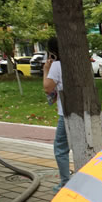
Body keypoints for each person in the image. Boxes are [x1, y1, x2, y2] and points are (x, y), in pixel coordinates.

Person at [43, 37, 70, 192]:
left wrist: (46, 70)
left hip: (65, 113)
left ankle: (65, 182)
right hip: (83, 110)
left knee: (60, 148)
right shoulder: (75, 62)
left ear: (52, 52)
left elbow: (48, 88)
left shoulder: (57, 65)